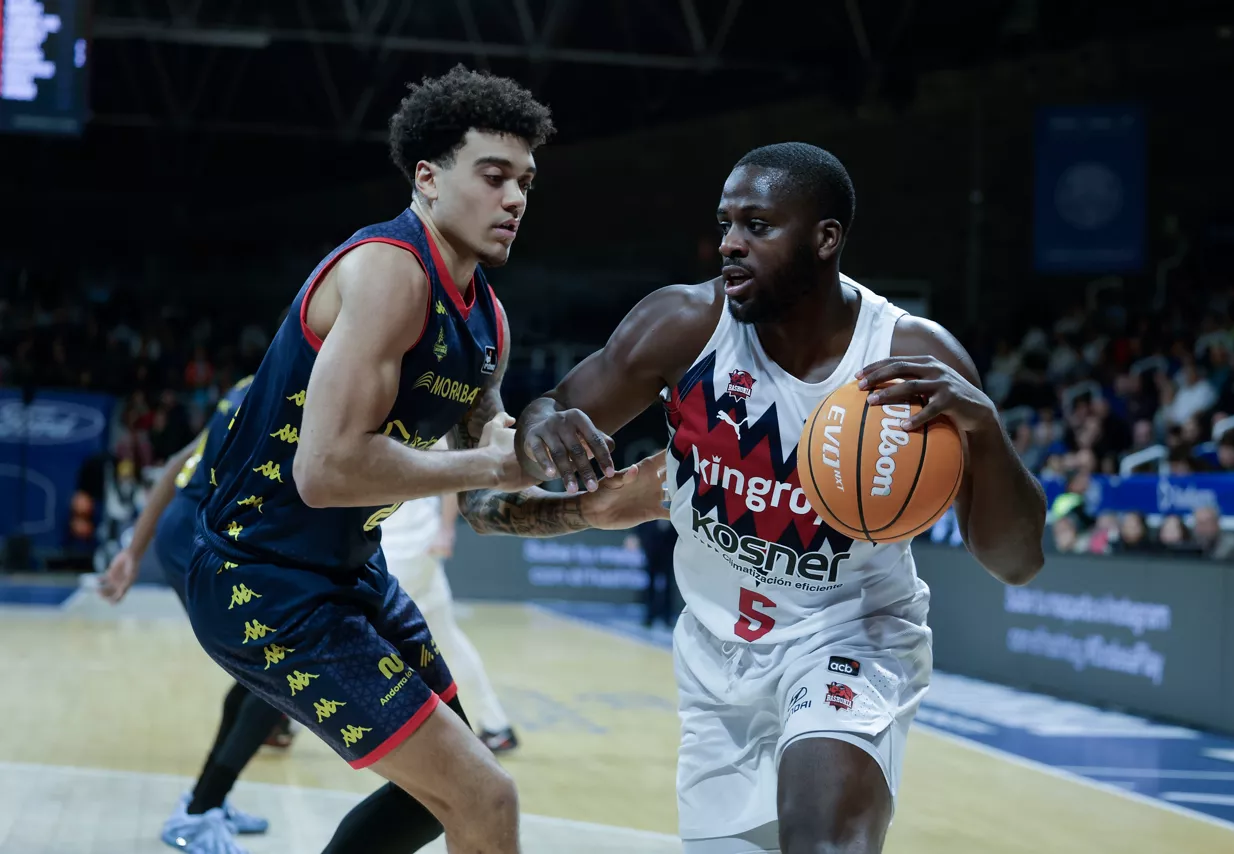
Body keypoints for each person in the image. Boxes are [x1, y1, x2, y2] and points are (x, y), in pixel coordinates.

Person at [182, 65, 667, 854]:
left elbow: (484, 504)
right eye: (494, 176)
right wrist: (502, 465)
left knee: (434, 798)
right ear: (429, 178)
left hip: (348, 573)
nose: (515, 199)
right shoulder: (388, 272)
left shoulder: (489, 325)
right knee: (487, 800)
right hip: (259, 577)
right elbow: (327, 471)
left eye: (526, 182)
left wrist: (601, 505)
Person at [515, 142, 1047, 854]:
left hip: (847, 636)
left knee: (821, 843)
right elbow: (549, 410)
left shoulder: (913, 361)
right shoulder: (685, 324)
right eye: (726, 221)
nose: (731, 242)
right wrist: (543, 426)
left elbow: (1016, 562)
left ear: (826, 239)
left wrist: (983, 429)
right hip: (713, 659)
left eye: (757, 225)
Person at [99, 376, 286, 852]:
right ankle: (201, 810)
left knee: (263, 676)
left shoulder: (256, 382)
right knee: (277, 675)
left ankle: (207, 802)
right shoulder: (285, 393)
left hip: (192, 533)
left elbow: (178, 465)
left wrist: (133, 553)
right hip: (198, 540)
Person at [381, 434, 519, 753]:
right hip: (412, 545)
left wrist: (445, 529)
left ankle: (282, 719)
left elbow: (450, 471)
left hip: (401, 549)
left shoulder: (408, 407)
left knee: (351, 633)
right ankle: (496, 724)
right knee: (446, 639)